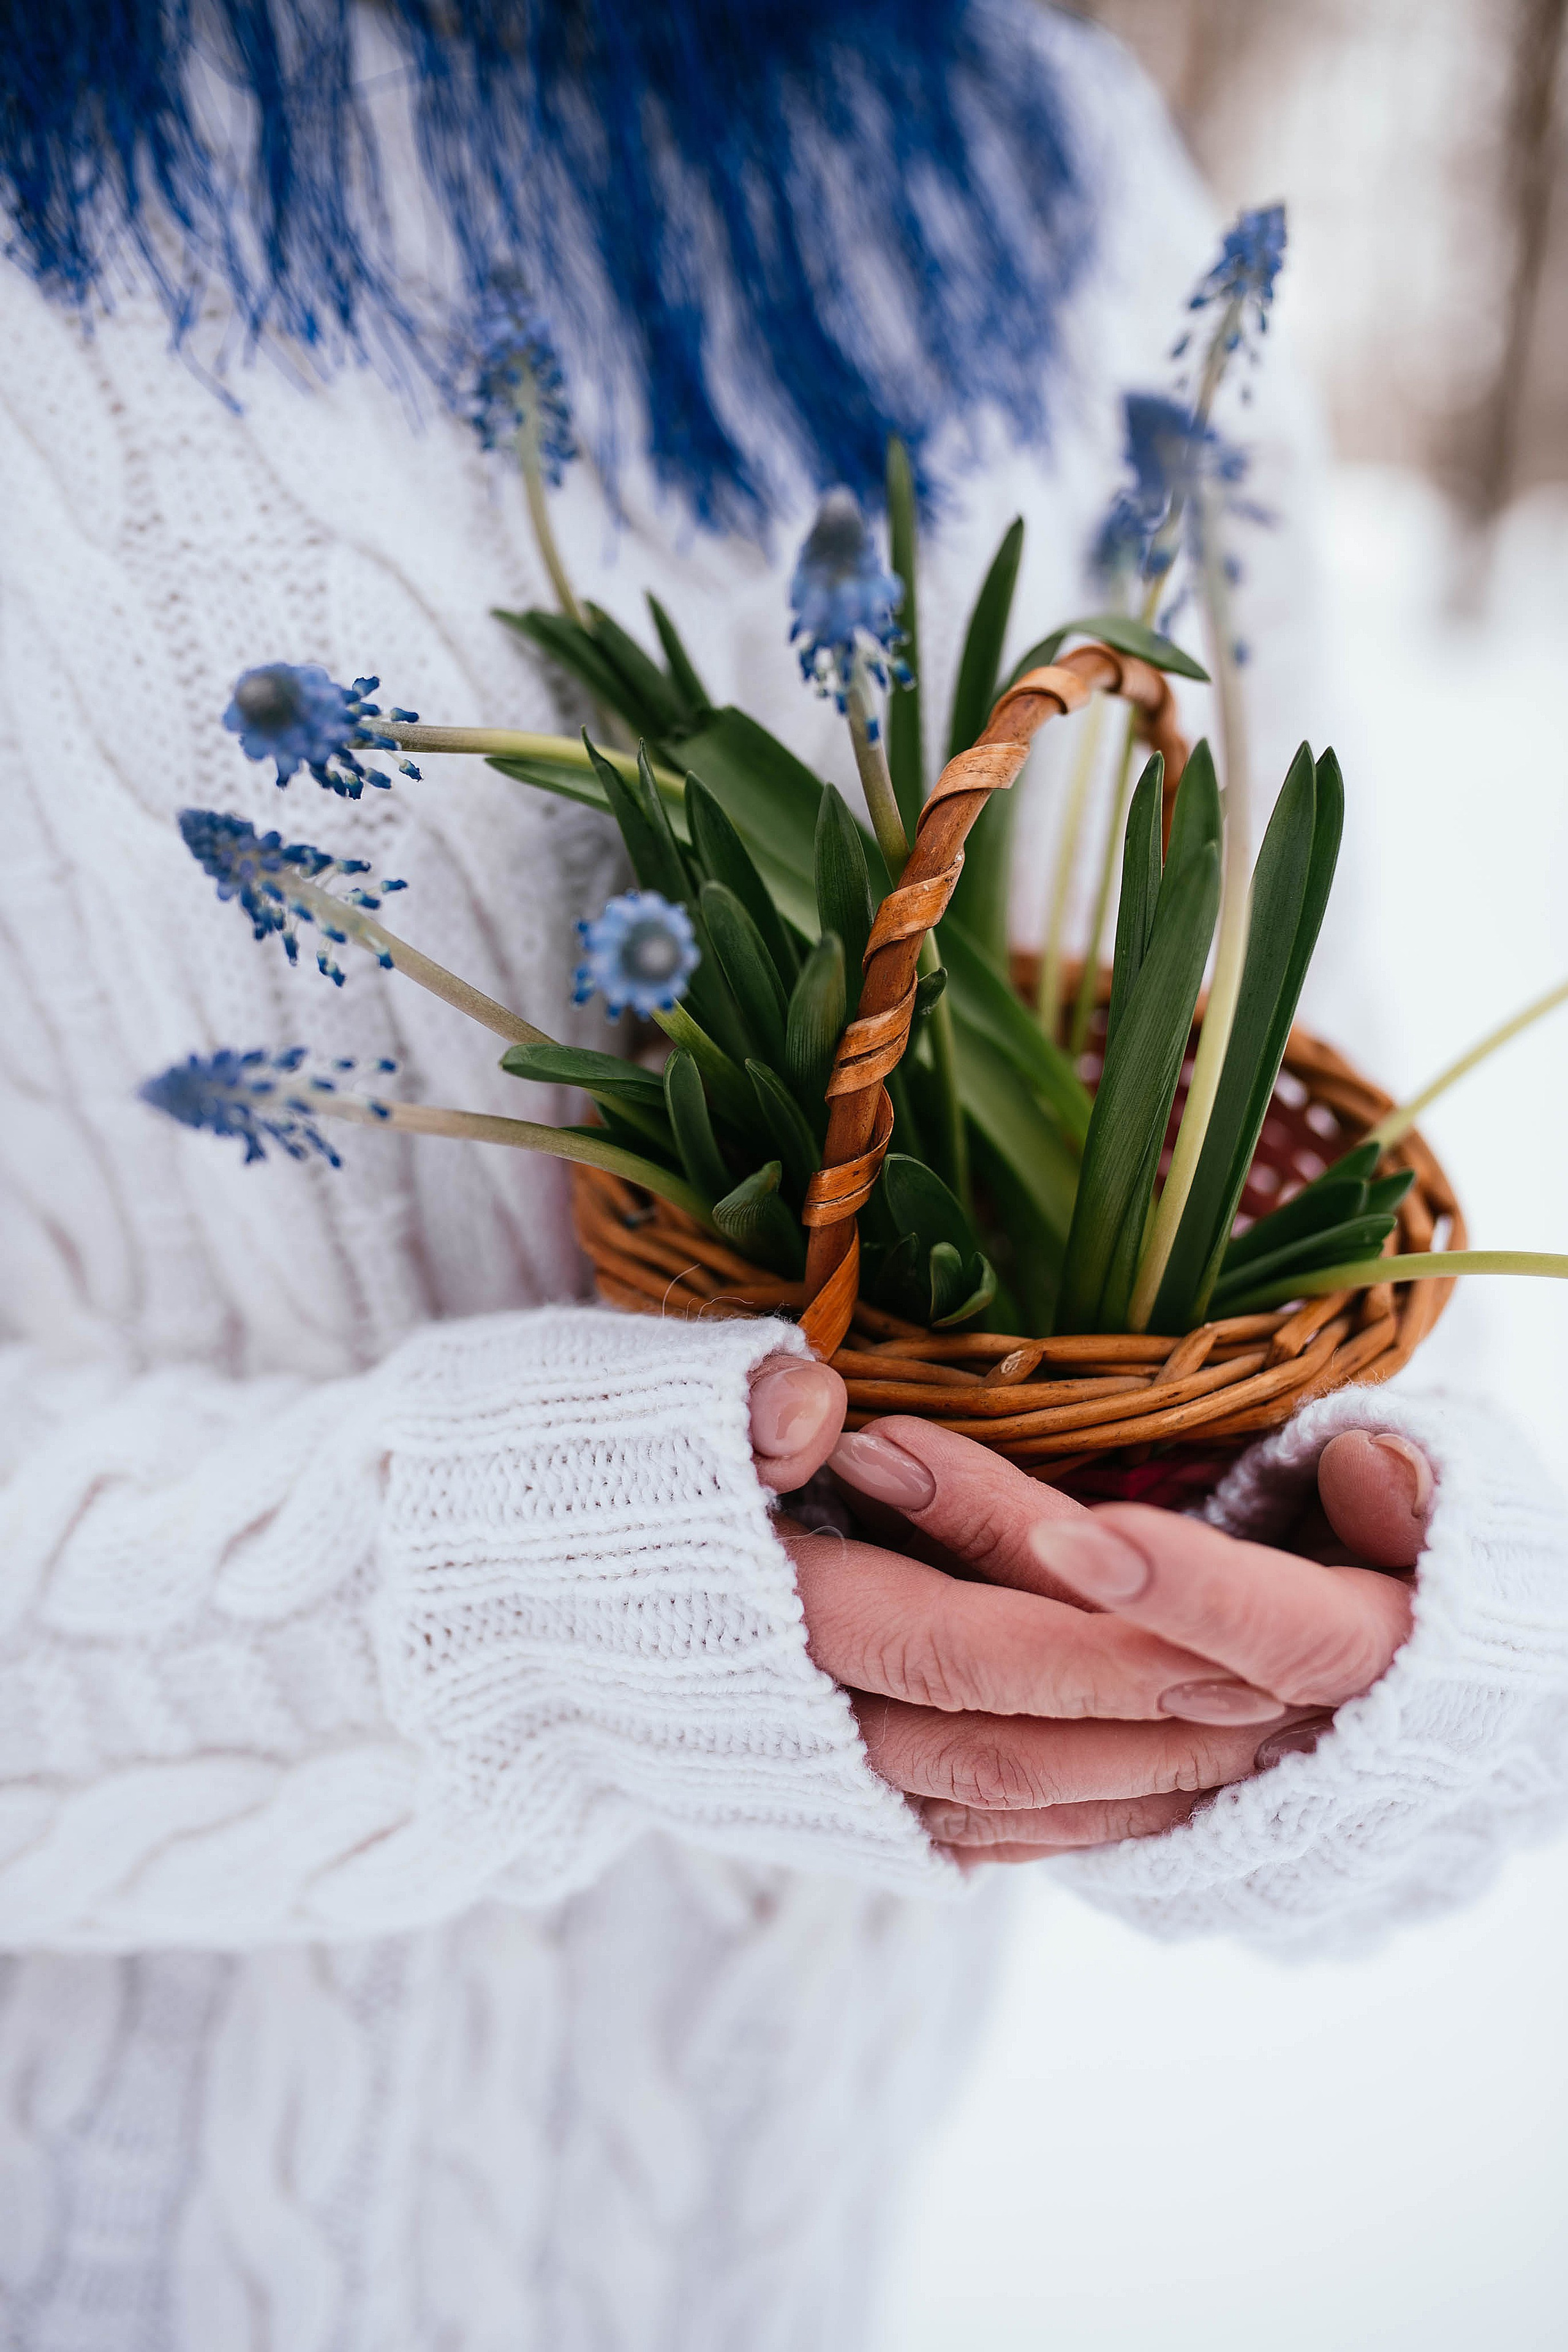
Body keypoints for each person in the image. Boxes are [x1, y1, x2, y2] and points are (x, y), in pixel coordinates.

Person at [1, 4, 1564, 2346]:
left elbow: (1231, 1107)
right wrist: (495, 1622)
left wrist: (1343, 1617)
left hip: (772, 2252)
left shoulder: (1033, 148)